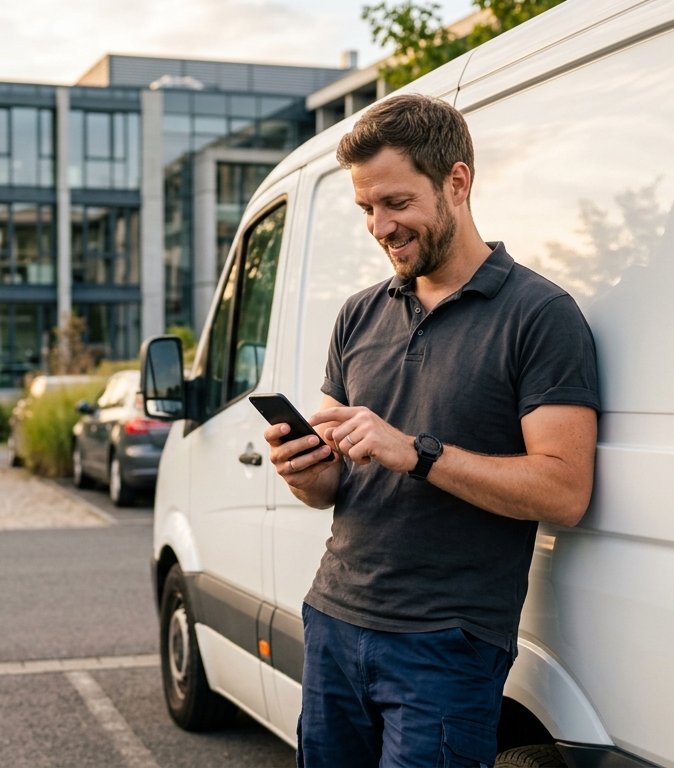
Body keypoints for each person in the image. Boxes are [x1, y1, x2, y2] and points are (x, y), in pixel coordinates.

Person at [264, 93, 600, 767]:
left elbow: (565, 491)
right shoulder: (358, 315)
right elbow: (329, 488)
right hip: (333, 617)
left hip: (447, 645)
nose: (380, 227)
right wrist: (304, 468)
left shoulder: (540, 315)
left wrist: (414, 452)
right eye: (366, 208)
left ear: (457, 182)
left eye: (396, 203)